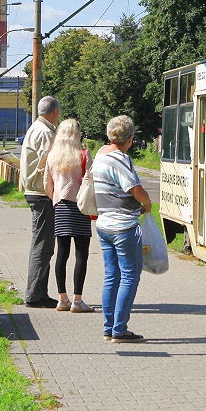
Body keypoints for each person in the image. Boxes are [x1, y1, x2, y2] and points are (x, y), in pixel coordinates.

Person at [93, 115, 153, 343]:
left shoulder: (100, 155)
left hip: (104, 224)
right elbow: (135, 189)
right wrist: (147, 204)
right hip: (123, 226)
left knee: (111, 276)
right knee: (130, 276)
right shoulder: (120, 159)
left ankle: (109, 327)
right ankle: (120, 329)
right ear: (129, 138)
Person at [44, 118, 94, 313]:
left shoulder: (52, 157)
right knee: (81, 254)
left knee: (62, 254)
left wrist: (57, 198)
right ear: (76, 134)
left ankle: (61, 299)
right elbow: (91, 180)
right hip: (81, 208)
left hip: (61, 208)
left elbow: (47, 186)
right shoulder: (83, 155)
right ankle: (77, 300)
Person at [20, 95, 60, 308]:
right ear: (55, 112)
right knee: (43, 245)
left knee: (43, 245)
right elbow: (50, 164)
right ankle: (34, 294)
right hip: (42, 194)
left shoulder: (36, 128)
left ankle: (40, 293)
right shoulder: (45, 133)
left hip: (35, 192)